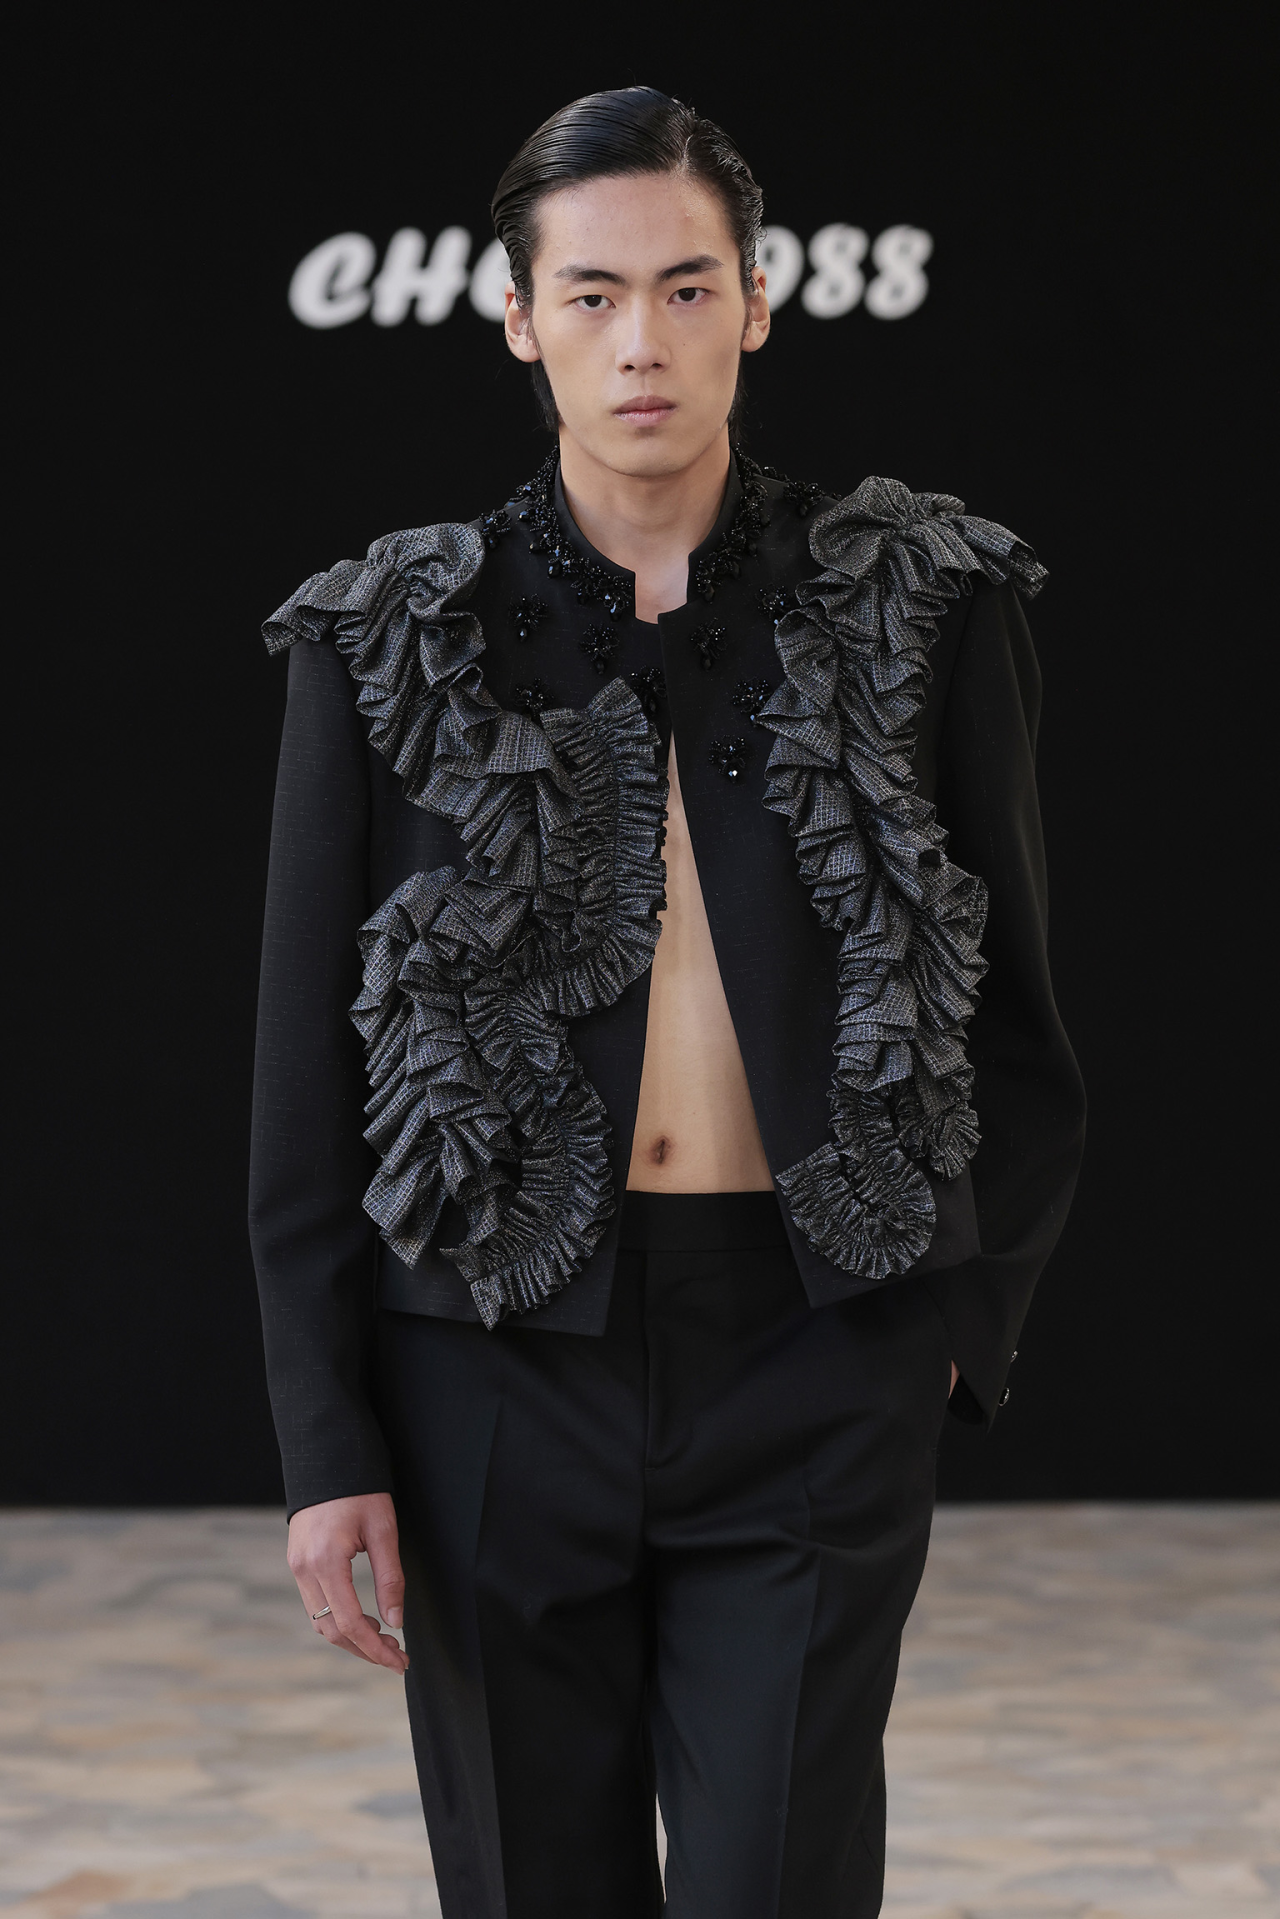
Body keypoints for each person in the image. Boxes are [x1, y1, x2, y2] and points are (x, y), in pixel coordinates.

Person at [250, 86, 1085, 1919]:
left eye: (688, 287)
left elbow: (1017, 1009)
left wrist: (955, 1318)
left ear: (757, 303)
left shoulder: (917, 598)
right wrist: (328, 1446)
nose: (643, 340)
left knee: (777, 1880)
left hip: (815, 1344)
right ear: (519, 317)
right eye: (595, 293)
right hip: (485, 1358)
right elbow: (305, 1075)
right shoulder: (388, 634)